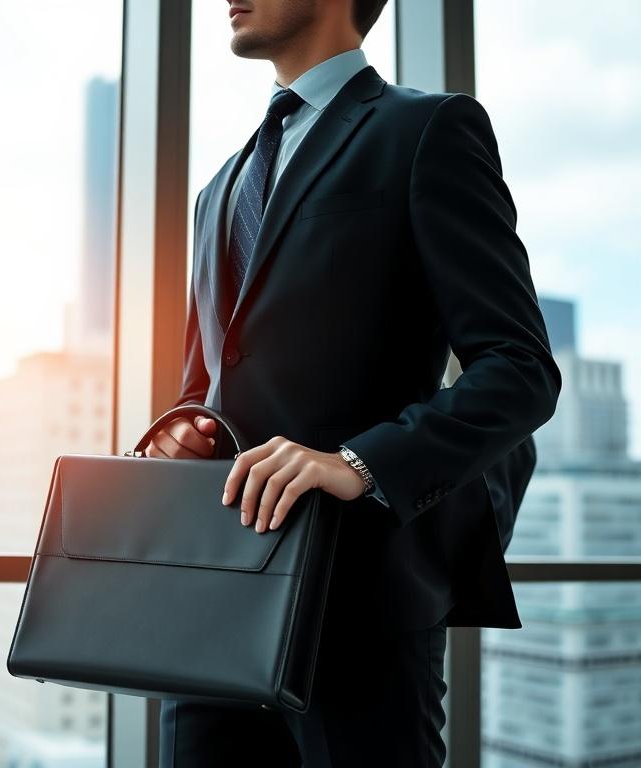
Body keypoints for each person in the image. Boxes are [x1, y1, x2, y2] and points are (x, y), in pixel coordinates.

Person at [143, 0, 562, 765]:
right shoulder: (218, 190)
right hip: (212, 606)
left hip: (362, 609)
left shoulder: (427, 130)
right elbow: (203, 388)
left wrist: (359, 463)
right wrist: (169, 448)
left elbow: (520, 368)